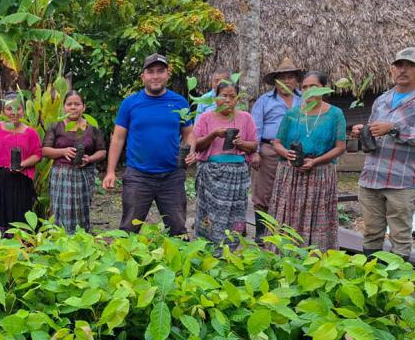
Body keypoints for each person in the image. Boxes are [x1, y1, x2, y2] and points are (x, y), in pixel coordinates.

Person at [352, 47, 415, 260]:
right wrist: (364, 132)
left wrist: (394, 129)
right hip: (371, 178)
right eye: (399, 65)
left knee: (400, 237)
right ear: (391, 69)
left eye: (410, 65)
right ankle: (373, 282)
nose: (403, 70)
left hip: (402, 181)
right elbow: (376, 132)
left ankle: (397, 288)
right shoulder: (382, 99)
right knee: (371, 234)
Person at [102, 53, 196, 236]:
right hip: (138, 176)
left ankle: (178, 264)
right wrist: (111, 171)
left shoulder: (179, 102)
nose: (155, 76)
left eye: (160, 71)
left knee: (177, 230)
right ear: (143, 76)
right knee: (129, 229)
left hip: (172, 176)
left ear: (167, 74)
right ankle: (127, 262)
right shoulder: (130, 104)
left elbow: (189, 134)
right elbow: (118, 138)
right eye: (150, 72)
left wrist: (191, 150)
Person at [269, 71, 346, 251]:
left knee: (317, 217)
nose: (309, 90)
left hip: (320, 174)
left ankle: (316, 257)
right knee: (288, 216)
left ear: (323, 89)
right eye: (305, 87)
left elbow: (340, 147)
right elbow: (277, 143)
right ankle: (284, 257)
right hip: (290, 174)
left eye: (314, 86)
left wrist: (316, 161)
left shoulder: (335, 114)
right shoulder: (292, 114)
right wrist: (287, 154)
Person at [193, 81, 257, 251]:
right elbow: (196, 145)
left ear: (237, 99)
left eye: (232, 96)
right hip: (212, 174)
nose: (228, 100)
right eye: (223, 96)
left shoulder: (245, 117)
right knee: (210, 212)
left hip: (237, 175)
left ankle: (229, 251)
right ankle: (207, 250)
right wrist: (213, 134)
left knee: (234, 213)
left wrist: (241, 143)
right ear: (215, 98)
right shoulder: (206, 117)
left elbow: (254, 146)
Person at [250, 57, 303, 240]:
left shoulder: (304, 99)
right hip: (269, 151)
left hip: (296, 151)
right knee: (264, 191)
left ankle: (288, 232)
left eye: (290, 77)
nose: (286, 81)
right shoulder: (264, 101)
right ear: (275, 81)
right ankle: (261, 234)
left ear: (297, 80)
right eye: (282, 78)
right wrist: (255, 152)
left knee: (293, 190)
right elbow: (255, 126)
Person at [42, 91, 107, 233]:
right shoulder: (56, 127)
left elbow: (102, 151)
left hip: (84, 175)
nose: (73, 107)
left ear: (83, 107)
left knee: (81, 208)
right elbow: (45, 150)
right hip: (61, 175)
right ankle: (61, 239)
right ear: (64, 107)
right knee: (61, 209)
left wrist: (89, 159)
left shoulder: (91, 128)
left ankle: (81, 238)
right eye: (69, 104)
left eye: (77, 104)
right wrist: (62, 152)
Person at [0, 93, 42, 232]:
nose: (14, 112)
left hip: (20, 180)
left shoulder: (31, 133)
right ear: (2, 111)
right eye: (9, 108)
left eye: (18, 108)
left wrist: (23, 164)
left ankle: (19, 248)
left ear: (23, 110)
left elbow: (37, 154)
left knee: (19, 216)